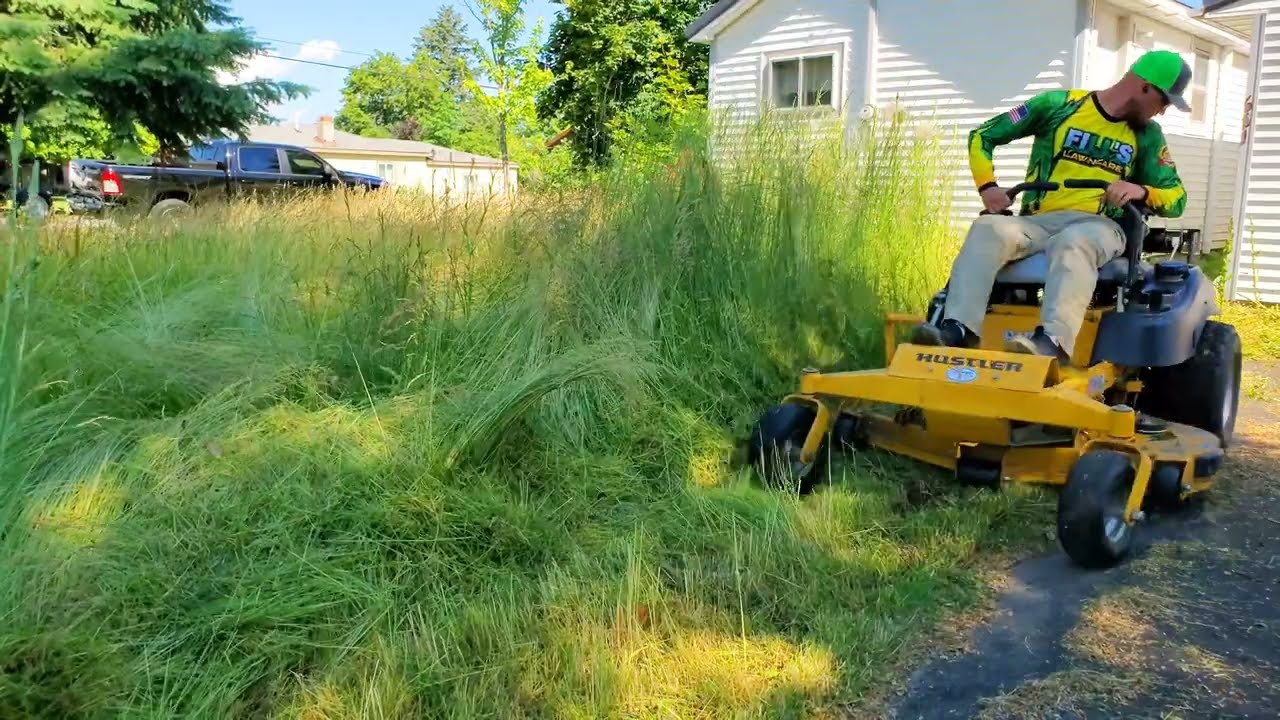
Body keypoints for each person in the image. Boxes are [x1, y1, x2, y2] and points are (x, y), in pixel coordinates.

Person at [911, 49, 1190, 365]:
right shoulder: (1059, 105)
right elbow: (982, 136)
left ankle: (1053, 342)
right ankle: (958, 330)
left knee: (1074, 242)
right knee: (988, 228)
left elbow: (1177, 198)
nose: (1162, 112)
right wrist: (988, 187)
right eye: (1164, 102)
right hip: (1038, 222)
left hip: (1100, 226)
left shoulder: (1149, 136)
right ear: (1145, 87)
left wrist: (1141, 190)